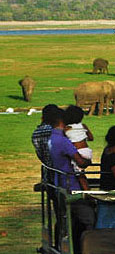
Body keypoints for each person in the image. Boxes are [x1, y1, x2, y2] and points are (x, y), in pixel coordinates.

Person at [48, 108, 95, 254]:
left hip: (60, 184)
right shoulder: (63, 140)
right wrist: (87, 163)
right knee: (88, 220)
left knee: (65, 221)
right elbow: (80, 162)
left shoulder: (53, 138)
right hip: (72, 185)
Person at [32, 104, 60, 249]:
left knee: (57, 212)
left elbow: (41, 156)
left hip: (48, 176)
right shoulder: (57, 131)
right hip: (63, 177)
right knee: (67, 214)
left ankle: (56, 245)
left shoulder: (36, 133)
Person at [64, 105, 94, 190]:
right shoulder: (83, 126)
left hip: (78, 153)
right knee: (80, 173)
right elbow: (91, 138)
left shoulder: (67, 128)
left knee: (80, 176)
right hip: (87, 151)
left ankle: (87, 193)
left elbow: (63, 140)